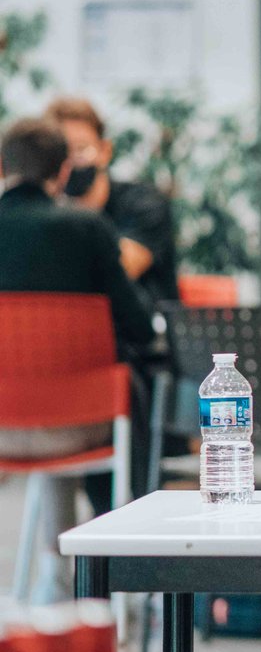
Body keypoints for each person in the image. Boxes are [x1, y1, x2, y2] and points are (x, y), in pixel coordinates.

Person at [0, 118, 154, 602]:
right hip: (84, 422)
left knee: (37, 393)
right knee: (132, 392)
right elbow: (138, 328)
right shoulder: (86, 227)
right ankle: (126, 578)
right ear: (64, 170)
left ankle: (54, 573)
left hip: (4, 421)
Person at [46, 97, 180, 305]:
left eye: (81, 149)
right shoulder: (49, 210)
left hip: (148, 331)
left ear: (104, 151)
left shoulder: (144, 204)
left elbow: (115, 274)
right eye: (61, 152)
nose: (70, 161)